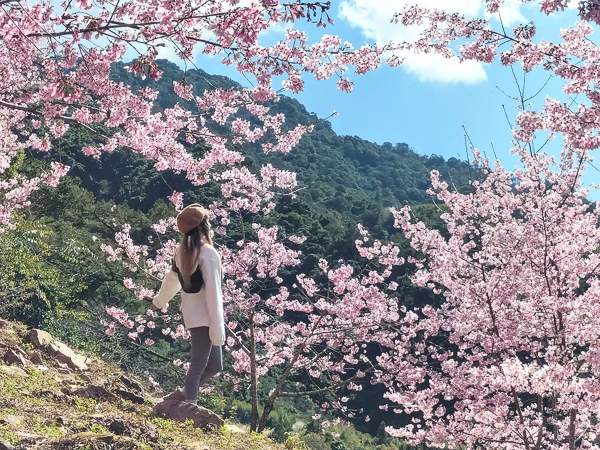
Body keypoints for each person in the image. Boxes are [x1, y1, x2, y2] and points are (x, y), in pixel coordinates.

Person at [150, 204, 226, 404]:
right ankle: (188, 407)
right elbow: (214, 292)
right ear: (204, 227)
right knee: (198, 365)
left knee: (215, 366)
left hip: (194, 315)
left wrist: (158, 302)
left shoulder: (182, 252)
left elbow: (171, 281)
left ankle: (182, 396)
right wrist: (217, 326)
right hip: (207, 316)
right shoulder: (208, 253)